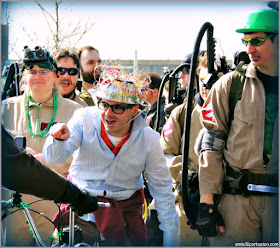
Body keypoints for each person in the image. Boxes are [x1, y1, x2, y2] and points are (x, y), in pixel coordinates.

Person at [43, 66, 179, 246]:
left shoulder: (149, 139)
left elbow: (163, 193)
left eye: (117, 108)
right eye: (104, 104)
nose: (108, 113)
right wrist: (56, 139)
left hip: (125, 220)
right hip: (81, 215)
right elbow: (54, 158)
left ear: (134, 110)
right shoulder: (83, 119)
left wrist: (172, 242)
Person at [195, 9, 279, 245]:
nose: (249, 49)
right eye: (246, 42)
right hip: (238, 203)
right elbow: (211, 142)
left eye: (257, 41)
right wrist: (207, 202)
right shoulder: (230, 85)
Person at [1, 46, 82, 246]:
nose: (37, 76)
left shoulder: (75, 111)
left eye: (43, 72)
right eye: (32, 72)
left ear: (55, 75)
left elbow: (84, 159)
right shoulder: (6, 108)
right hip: (14, 205)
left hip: (55, 202)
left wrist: (45, 159)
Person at [160, 52, 210, 246]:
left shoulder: (231, 111)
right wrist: (189, 177)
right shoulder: (183, 113)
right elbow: (165, 153)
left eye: (187, 71)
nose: (181, 76)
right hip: (187, 201)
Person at [1, 124, 98, 216]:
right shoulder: (8, 108)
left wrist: (46, 160)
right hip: (16, 217)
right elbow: (16, 168)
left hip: (53, 211)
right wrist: (76, 196)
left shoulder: (76, 113)